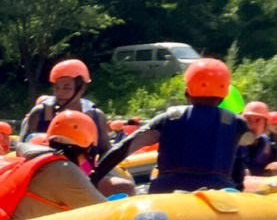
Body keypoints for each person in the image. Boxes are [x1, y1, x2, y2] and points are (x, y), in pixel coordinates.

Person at [92, 58, 256, 194]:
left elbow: (122, 149)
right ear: (225, 94)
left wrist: (94, 177)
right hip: (218, 194)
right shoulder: (236, 124)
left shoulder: (169, 118)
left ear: (187, 91)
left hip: (167, 192)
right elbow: (250, 141)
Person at [21, 59, 109, 157]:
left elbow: (105, 152)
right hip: (45, 167)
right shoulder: (39, 113)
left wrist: (89, 171)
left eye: (67, 88)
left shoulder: (96, 116)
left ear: (81, 88)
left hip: (84, 168)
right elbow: (21, 148)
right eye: (57, 87)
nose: (60, 93)